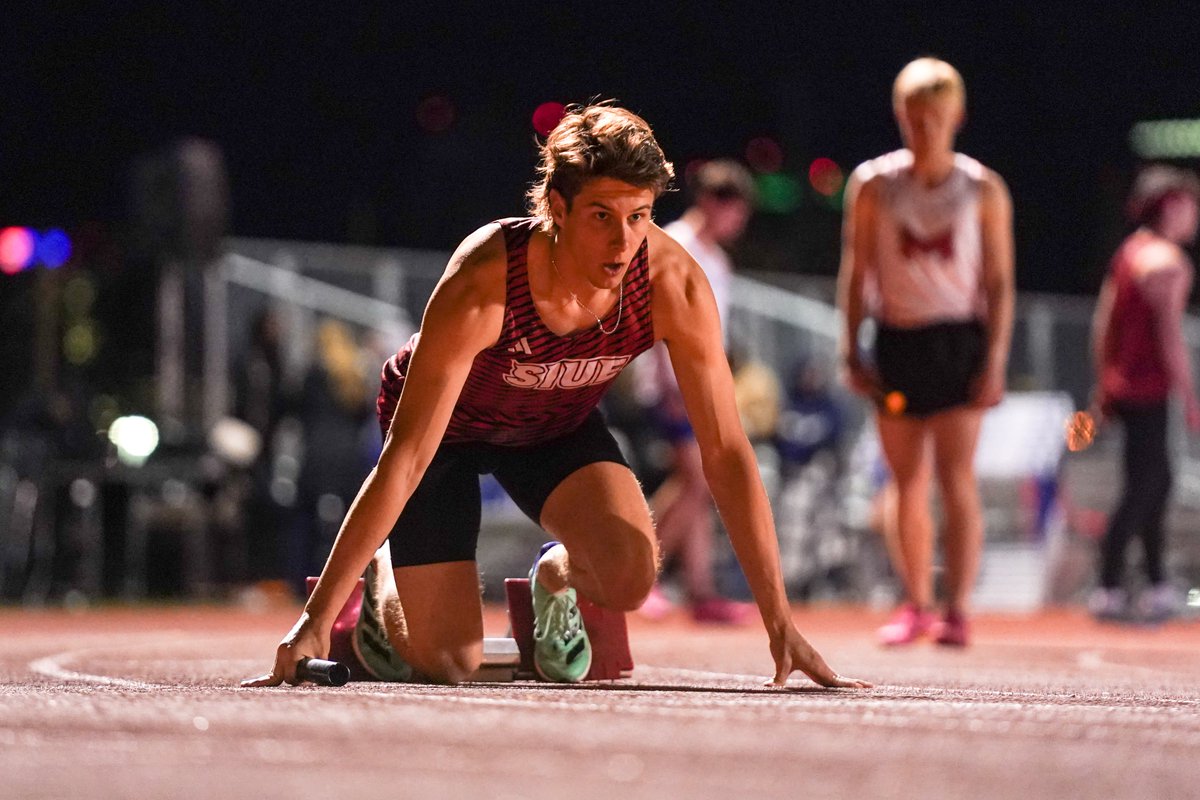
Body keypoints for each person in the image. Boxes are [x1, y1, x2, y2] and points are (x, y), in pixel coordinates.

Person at [244, 103, 868, 689]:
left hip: (552, 421)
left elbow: (728, 451)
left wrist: (780, 621)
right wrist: (316, 617)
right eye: (601, 216)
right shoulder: (486, 280)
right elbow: (403, 459)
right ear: (556, 208)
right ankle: (384, 580)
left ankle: (554, 577)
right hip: (447, 433)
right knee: (449, 662)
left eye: (638, 216)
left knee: (630, 573)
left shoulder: (672, 282)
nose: (623, 243)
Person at [837, 58, 1014, 647]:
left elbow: (999, 281)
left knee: (955, 477)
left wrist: (995, 358)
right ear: (899, 117)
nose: (924, 130)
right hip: (897, 338)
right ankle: (915, 602)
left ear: (957, 117)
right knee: (904, 479)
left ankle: (957, 608)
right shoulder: (873, 184)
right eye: (913, 119)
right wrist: (850, 346)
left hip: (958, 339)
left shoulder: (981, 187)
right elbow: (855, 269)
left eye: (935, 119)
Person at [635, 160, 760, 623]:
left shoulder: (717, 259)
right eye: (734, 212)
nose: (737, 224)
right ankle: (638, 575)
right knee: (697, 480)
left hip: (700, 383)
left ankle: (701, 590)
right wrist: (669, 380)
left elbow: (714, 331)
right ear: (711, 202)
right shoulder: (675, 244)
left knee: (700, 484)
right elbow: (659, 321)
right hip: (673, 382)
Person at [1087, 165, 1200, 624]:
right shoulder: (1169, 262)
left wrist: (1104, 380)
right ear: (1171, 206)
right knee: (1147, 486)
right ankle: (1111, 585)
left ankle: (1152, 582)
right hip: (1149, 389)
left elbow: (1103, 320)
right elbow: (1169, 337)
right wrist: (1191, 395)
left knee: (1153, 483)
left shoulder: (1130, 252)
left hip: (1124, 385)